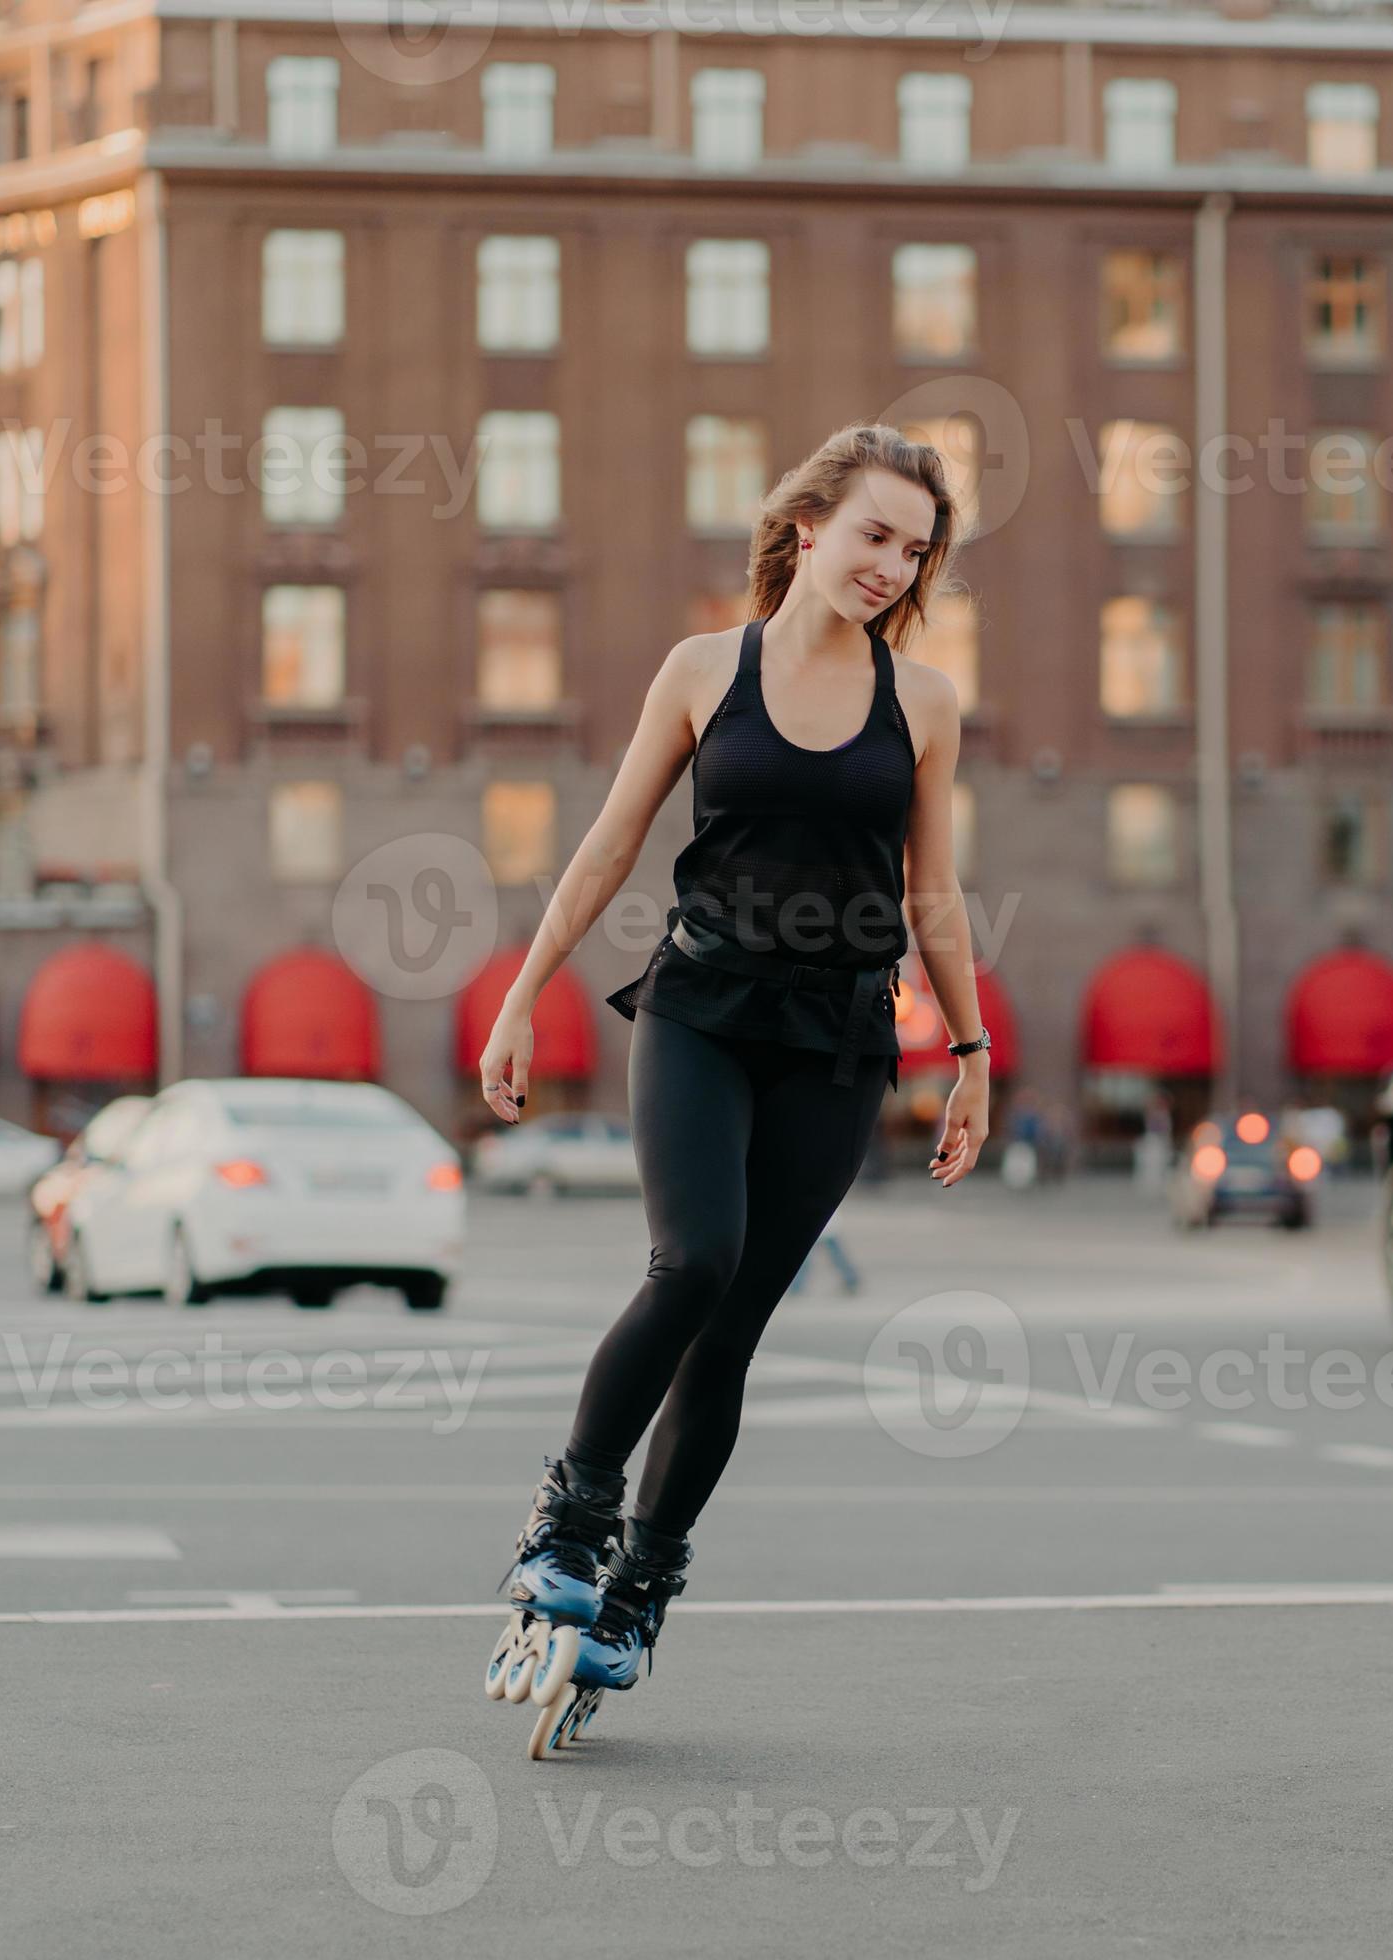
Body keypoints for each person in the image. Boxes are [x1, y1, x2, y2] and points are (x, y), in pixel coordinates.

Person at [473, 425, 993, 1717]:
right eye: (874, 534)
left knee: (734, 1334)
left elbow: (934, 892)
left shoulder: (923, 702)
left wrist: (972, 1051)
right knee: (690, 1262)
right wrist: (525, 995)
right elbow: (606, 846)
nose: (890, 565)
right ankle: (566, 1532)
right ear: (809, 525)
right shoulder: (709, 669)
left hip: (839, 1040)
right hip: (703, 1006)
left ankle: (640, 1600)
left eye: (914, 551)